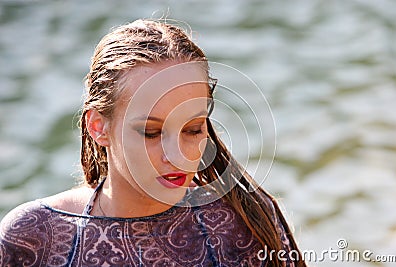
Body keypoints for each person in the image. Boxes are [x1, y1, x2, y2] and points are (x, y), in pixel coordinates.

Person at [0, 19, 306, 266]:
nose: (177, 155)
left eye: (193, 130)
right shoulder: (33, 237)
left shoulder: (244, 224)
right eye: (151, 132)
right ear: (98, 126)